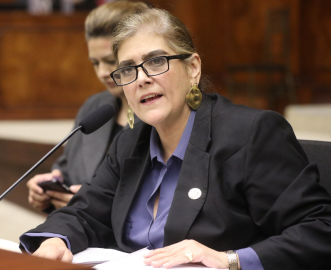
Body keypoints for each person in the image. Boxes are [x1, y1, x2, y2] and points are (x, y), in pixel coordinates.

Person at [19, 8, 331, 270]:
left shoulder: (251, 134)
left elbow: (319, 229)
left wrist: (229, 260)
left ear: (193, 68)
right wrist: (55, 239)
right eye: (127, 69)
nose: (142, 78)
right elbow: (84, 213)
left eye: (156, 61)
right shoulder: (130, 144)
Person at [26, 1, 149, 213]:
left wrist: (92, 204)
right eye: (95, 63)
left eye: (110, 61)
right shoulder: (94, 106)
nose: (102, 72)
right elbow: (67, 168)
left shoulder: (159, 111)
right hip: (77, 235)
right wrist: (50, 186)